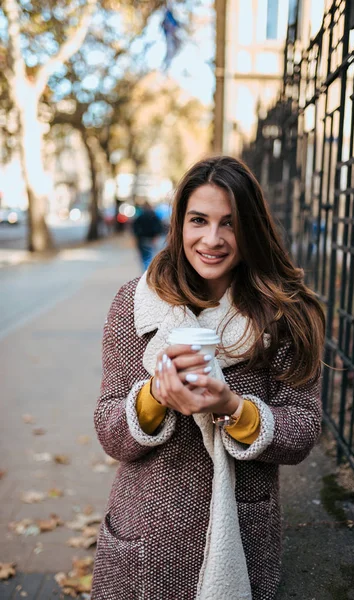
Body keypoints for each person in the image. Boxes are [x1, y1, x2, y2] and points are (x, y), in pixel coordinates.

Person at [91, 156, 325, 600]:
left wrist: (232, 408)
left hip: (241, 536)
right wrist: (154, 397)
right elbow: (108, 429)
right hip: (144, 541)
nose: (212, 240)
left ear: (251, 229)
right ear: (179, 224)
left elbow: (304, 429)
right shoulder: (135, 305)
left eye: (230, 224)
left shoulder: (286, 314)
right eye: (199, 220)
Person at [131, 201, 163, 269]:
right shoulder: (154, 216)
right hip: (151, 238)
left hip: (142, 239)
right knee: (150, 256)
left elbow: (135, 228)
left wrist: (136, 237)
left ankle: (146, 271)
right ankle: (148, 271)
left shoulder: (140, 216)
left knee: (144, 257)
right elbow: (159, 227)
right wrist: (156, 236)